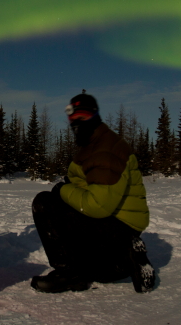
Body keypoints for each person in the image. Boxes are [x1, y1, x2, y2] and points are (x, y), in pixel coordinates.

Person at [30, 91, 155, 294]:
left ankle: (71, 272)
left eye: (83, 117)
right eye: (72, 119)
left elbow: (98, 206)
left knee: (45, 203)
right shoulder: (95, 144)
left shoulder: (105, 150)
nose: (76, 124)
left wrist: (63, 189)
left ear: (95, 117)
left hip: (116, 224)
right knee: (96, 272)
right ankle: (124, 259)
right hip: (118, 223)